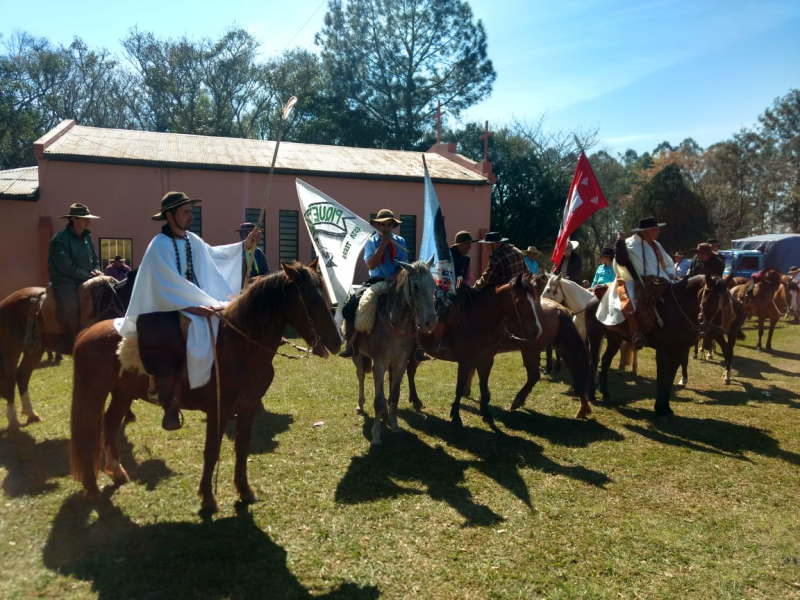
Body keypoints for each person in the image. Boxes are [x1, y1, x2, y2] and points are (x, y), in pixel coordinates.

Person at [115, 191, 261, 431]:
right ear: (170, 216)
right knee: (176, 336)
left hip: (198, 302)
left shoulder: (192, 239)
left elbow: (215, 255)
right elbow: (164, 284)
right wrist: (192, 306)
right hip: (164, 307)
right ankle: (169, 404)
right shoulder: (159, 245)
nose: (191, 215)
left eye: (191, 211)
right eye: (186, 211)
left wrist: (245, 245)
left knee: (222, 327)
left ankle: (218, 390)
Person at [596, 217, 676, 349]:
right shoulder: (630, 244)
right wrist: (619, 243)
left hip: (662, 279)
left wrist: (670, 273)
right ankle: (636, 332)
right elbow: (620, 262)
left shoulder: (657, 245)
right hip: (633, 280)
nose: (658, 231)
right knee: (633, 300)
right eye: (655, 229)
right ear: (645, 232)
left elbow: (668, 263)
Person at [339, 208, 409, 359]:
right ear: (377, 226)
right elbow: (370, 265)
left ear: (392, 226)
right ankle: (351, 344)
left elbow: (403, 265)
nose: (386, 228)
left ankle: (418, 346)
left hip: (397, 281)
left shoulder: (401, 242)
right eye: (383, 225)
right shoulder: (371, 242)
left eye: (389, 224)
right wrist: (383, 244)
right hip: (375, 281)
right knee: (351, 305)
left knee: (416, 302)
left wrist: (394, 276)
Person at [47, 203, 103, 347]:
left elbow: (95, 259)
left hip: (86, 277)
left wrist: (96, 270)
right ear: (73, 219)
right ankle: (72, 341)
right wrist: (89, 276)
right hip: (66, 281)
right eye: (84, 218)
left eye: (88, 218)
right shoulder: (60, 239)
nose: (88, 221)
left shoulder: (87, 237)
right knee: (71, 306)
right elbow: (66, 267)